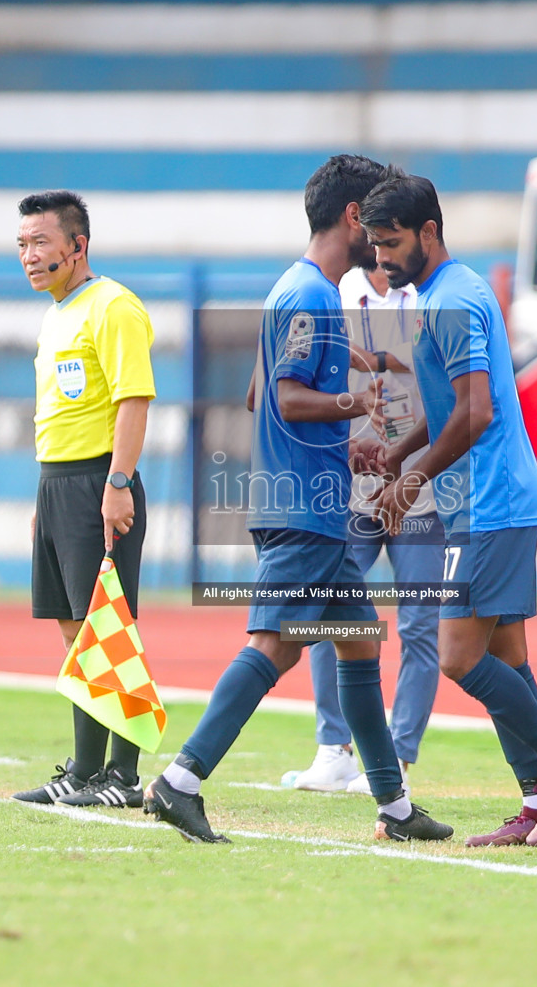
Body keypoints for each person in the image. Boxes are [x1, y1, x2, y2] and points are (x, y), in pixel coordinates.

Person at [144, 155, 453, 844]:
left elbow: (263, 399)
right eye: (371, 220)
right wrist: (356, 399)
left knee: (358, 644)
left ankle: (395, 809)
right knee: (272, 647)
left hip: (316, 498)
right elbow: (283, 394)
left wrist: (343, 446)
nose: (378, 235)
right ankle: (179, 782)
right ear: (351, 218)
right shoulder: (311, 296)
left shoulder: (300, 290)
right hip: (304, 514)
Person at [361, 171, 537, 848]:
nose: (381, 259)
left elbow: (477, 411)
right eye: (374, 246)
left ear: (429, 232)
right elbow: (447, 407)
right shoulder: (436, 296)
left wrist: (413, 481)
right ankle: (536, 801)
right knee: (507, 657)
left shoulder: (455, 300)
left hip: (490, 502)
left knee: (459, 658)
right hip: (479, 500)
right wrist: (402, 454)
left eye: (391, 243)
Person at [11, 190, 156, 809]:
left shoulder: (113, 306)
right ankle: (87, 770)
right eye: (21, 244)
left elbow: (133, 400)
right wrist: (47, 492)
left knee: (108, 626)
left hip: (99, 482)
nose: (29, 255)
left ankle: (119, 775)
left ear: (78, 246)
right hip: (58, 483)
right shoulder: (56, 312)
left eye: (41, 242)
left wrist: (118, 484)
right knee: (77, 629)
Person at [283, 263, 443, 794]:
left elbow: (441, 373)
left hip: (420, 484)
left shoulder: (427, 292)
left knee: (419, 625)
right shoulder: (336, 293)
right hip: (353, 481)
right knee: (332, 612)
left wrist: (378, 358)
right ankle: (334, 749)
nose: (380, 247)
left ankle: (398, 758)